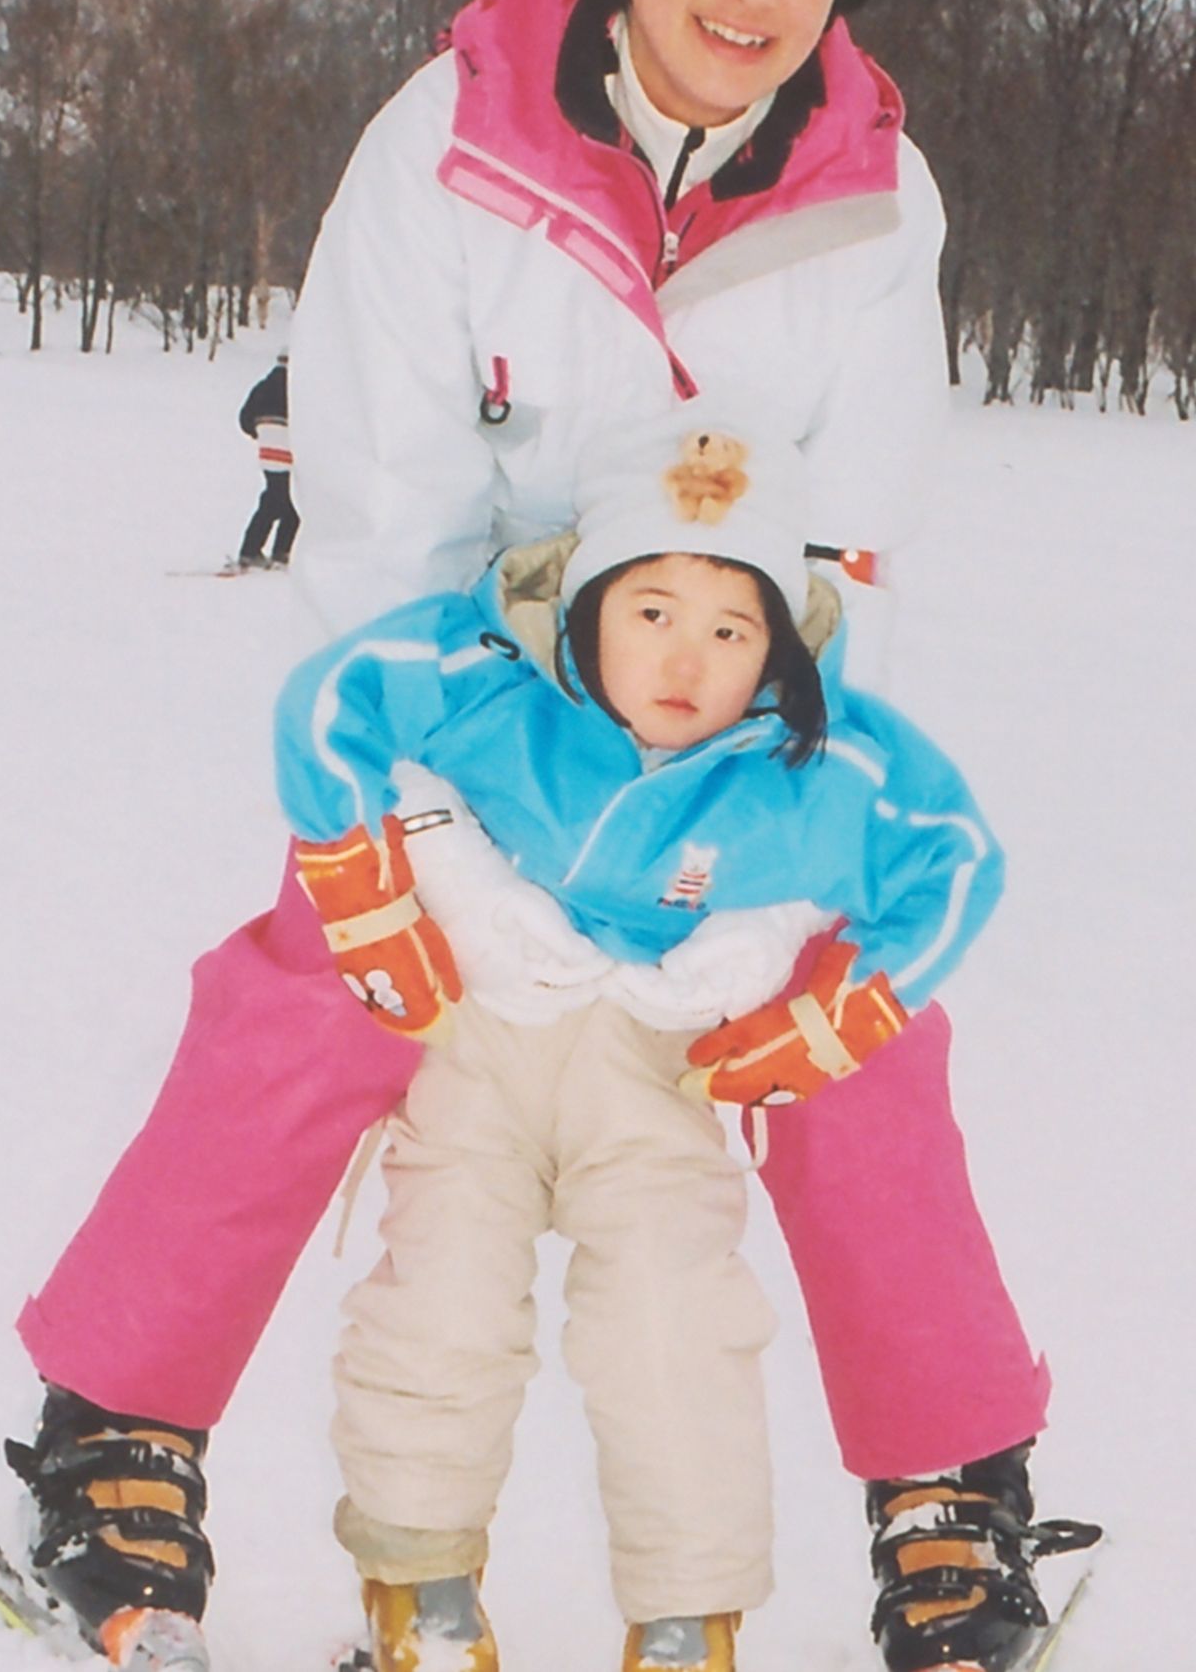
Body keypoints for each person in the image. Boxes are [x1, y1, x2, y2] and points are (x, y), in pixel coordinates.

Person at [7, 0, 1090, 1672]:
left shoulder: (872, 202)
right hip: (474, 715)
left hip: (735, 718)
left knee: (857, 1028)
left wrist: (771, 838)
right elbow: (380, 512)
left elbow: (846, 548)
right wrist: (437, 829)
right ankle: (112, 1432)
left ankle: (950, 1485)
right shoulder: (448, 151)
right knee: (311, 986)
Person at [270, 407, 1064, 1672]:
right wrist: (364, 879)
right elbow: (331, 705)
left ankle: (688, 1614)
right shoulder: (490, 686)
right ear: (584, 602)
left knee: (673, 1327)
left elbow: (954, 859)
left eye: (730, 628)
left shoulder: (816, 763)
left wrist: (838, 1010)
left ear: (780, 648)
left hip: (657, 1075)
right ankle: (416, 1580)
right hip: (477, 1054)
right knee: (440, 1304)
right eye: (650, 610)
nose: (685, 658)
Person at [235, 350, 299, 568]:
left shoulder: (262, 386)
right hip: (291, 452)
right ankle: (273, 551)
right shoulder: (298, 386)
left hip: (267, 454)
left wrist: (260, 432)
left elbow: (244, 419)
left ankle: (255, 550)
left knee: (275, 498)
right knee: (290, 502)